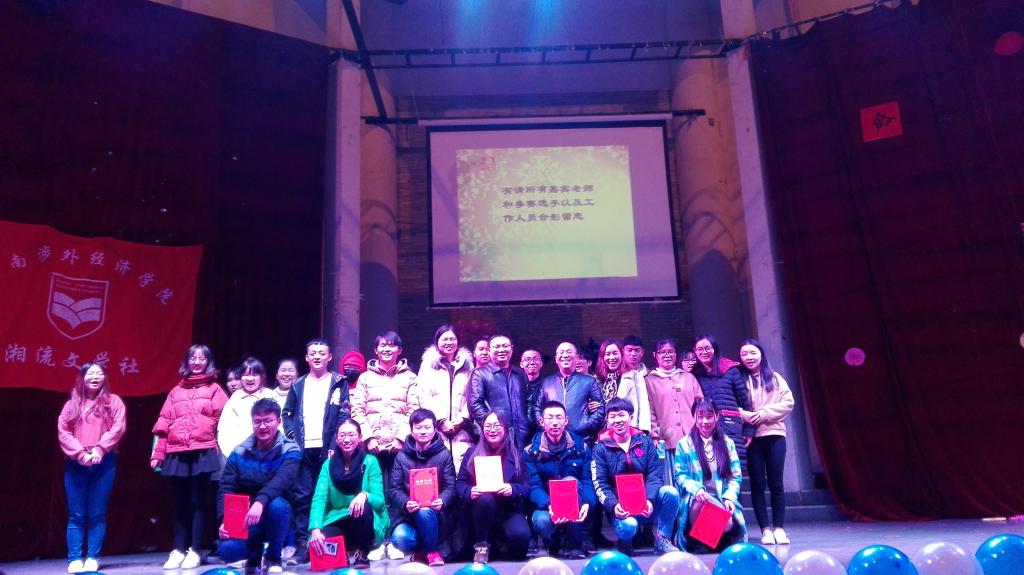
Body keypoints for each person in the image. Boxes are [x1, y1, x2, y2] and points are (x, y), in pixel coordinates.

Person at [151, 344, 229, 570]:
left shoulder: (215, 390)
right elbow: (163, 424)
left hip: (203, 451)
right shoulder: (175, 391)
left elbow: (223, 423)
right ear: (186, 361)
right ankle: (177, 550)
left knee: (198, 503)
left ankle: (194, 550)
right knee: (179, 504)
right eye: (192, 357)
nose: (196, 361)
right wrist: (158, 453)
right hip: (176, 452)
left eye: (202, 358)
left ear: (208, 362)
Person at [282, 338, 352, 564]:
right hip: (303, 449)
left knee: (327, 496)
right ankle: (303, 545)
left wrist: (334, 445)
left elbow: (343, 414)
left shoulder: (338, 382)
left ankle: (327, 545)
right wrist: (292, 437)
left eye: (322, 353)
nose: (317, 356)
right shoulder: (298, 384)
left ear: (329, 357)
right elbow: (287, 414)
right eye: (313, 353)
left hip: (328, 449)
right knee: (302, 497)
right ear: (307, 357)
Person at [350, 330, 419, 561]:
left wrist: (400, 438)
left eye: (391, 346)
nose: (387, 349)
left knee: (398, 493)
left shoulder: (410, 378)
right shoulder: (365, 378)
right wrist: (368, 438)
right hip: (372, 447)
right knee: (374, 494)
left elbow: (414, 410)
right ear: (376, 350)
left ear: (399, 350)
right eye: (382, 345)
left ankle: (395, 541)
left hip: (400, 447)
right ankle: (377, 541)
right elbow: (357, 410)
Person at [216, 399, 300, 575]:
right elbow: (226, 487)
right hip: (245, 517)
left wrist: (260, 502)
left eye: (268, 421)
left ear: (278, 421)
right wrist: (224, 520)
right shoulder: (239, 451)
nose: (262, 426)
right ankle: (254, 557)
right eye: (257, 421)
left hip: (276, 516)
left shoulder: (291, 449)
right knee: (226, 551)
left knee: (277, 505)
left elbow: (281, 481)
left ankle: (273, 557)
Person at [58, 362, 126, 574]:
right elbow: (63, 431)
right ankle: (74, 558)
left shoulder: (113, 402)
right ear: (82, 378)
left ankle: (92, 557)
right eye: (90, 373)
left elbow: (118, 427)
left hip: (103, 462)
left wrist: (100, 449)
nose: (95, 377)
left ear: (104, 378)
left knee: (97, 514)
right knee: (76, 515)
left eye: (99, 373)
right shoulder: (71, 405)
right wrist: (80, 453)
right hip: (76, 462)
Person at [590, 398, 679, 556]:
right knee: (629, 526)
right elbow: (600, 484)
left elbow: (655, 475)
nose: (617, 420)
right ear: (607, 421)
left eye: (621, 415)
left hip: (646, 505)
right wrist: (613, 505)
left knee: (670, 493)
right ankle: (624, 541)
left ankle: (662, 539)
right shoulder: (600, 448)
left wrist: (649, 499)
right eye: (612, 416)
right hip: (620, 509)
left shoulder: (645, 442)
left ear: (631, 417)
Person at [309, 419, 389, 570]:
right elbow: (319, 499)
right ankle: (343, 554)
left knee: (363, 507)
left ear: (360, 437)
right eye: (342, 435)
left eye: (352, 435)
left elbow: (379, 501)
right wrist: (315, 528)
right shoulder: (327, 465)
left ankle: (362, 552)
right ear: (336, 438)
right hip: (337, 517)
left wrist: (365, 495)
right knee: (319, 544)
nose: (346, 439)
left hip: (363, 519)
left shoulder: (370, 461)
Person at [737, 340, 795, 545]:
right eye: (744, 354)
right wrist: (746, 416)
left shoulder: (775, 378)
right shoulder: (739, 379)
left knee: (776, 483)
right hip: (751, 437)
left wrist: (764, 413)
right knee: (757, 483)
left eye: (753, 353)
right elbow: (731, 405)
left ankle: (779, 528)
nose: (749, 357)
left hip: (775, 434)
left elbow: (788, 403)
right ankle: (765, 529)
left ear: (761, 354)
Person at [672, 398, 747, 552]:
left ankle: (710, 542)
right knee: (699, 502)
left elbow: (735, 477)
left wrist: (729, 497)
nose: (705, 421)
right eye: (700, 417)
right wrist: (696, 489)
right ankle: (703, 541)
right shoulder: (684, 444)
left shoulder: (727, 443)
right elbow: (680, 475)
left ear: (717, 417)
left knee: (728, 523)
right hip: (697, 499)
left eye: (709, 416)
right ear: (694, 417)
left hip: (720, 499)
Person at [455, 411, 531, 563]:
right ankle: (481, 546)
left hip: (507, 510)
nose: (492, 430)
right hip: (479, 512)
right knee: (485, 499)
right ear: (482, 429)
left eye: (497, 425)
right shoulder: (471, 453)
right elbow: (460, 484)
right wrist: (469, 492)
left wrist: (512, 489)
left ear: (505, 429)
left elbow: (526, 487)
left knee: (521, 539)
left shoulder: (516, 454)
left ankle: (498, 546)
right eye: (488, 426)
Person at [388, 409, 457, 567]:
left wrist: (442, 500)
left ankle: (432, 552)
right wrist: (405, 502)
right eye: (418, 427)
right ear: (412, 431)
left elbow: (451, 486)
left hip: (437, 514)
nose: (423, 431)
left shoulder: (444, 454)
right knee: (400, 538)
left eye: (427, 427)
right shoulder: (401, 456)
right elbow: (394, 489)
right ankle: (424, 550)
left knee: (425, 511)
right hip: (409, 515)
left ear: (434, 430)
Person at [524, 401, 592, 560]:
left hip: (576, 504)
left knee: (570, 481)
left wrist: (587, 502)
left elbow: (587, 480)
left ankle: (575, 545)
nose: (555, 422)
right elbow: (534, 486)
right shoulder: (530, 452)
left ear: (566, 420)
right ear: (542, 421)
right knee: (541, 520)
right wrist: (550, 505)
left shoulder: (581, 447)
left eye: (559, 417)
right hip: (547, 507)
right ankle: (554, 544)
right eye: (550, 418)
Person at [415, 324, 475, 472]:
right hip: (437, 428)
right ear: (437, 342)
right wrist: (441, 421)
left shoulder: (468, 366)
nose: (449, 342)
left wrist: (462, 418)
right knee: (439, 471)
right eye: (444, 339)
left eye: (452, 339)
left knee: (462, 471)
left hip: (462, 429)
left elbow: (472, 395)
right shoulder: (428, 365)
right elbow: (424, 395)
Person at [691, 335, 753, 465]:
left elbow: (745, 402)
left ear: (714, 349)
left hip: (731, 427)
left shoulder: (731, 370)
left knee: (735, 467)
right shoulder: (694, 374)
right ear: (695, 351)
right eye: (699, 349)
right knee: (710, 467)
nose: (704, 352)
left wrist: (749, 430)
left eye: (707, 348)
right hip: (705, 428)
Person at [645, 338, 704, 463]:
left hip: (693, 436)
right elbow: (650, 411)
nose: (667, 355)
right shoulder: (649, 381)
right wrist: (654, 436)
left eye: (671, 351)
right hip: (667, 439)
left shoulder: (688, 377)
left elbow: (701, 405)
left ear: (676, 354)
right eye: (663, 352)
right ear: (655, 355)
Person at [468, 334, 532, 449]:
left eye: (505, 346)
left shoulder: (520, 374)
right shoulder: (480, 374)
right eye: (497, 346)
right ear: (489, 350)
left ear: (512, 349)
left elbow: (529, 402)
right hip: (494, 437)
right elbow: (475, 404)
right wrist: (492, 426)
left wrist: (527, 421)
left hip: (522, 435)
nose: (501, 350)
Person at [534, 342, 605, 442]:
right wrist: (545, 426)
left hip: (582, 439)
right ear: (556, 359)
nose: (565, 355)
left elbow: (601, 407)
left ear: (576, 357)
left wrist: (586, 424)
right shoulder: (546, 382)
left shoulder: (589, 381)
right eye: (561, 352)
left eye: (569, 352)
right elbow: (537, 408)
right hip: (552, 440)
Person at [218, 357, 277, 457]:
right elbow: (223, 429)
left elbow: (279, 427)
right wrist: (231, 454)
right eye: (246, 375)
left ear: (262, 377)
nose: (250, 379)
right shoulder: (235, 397)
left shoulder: (269, 396)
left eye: (254, 375)